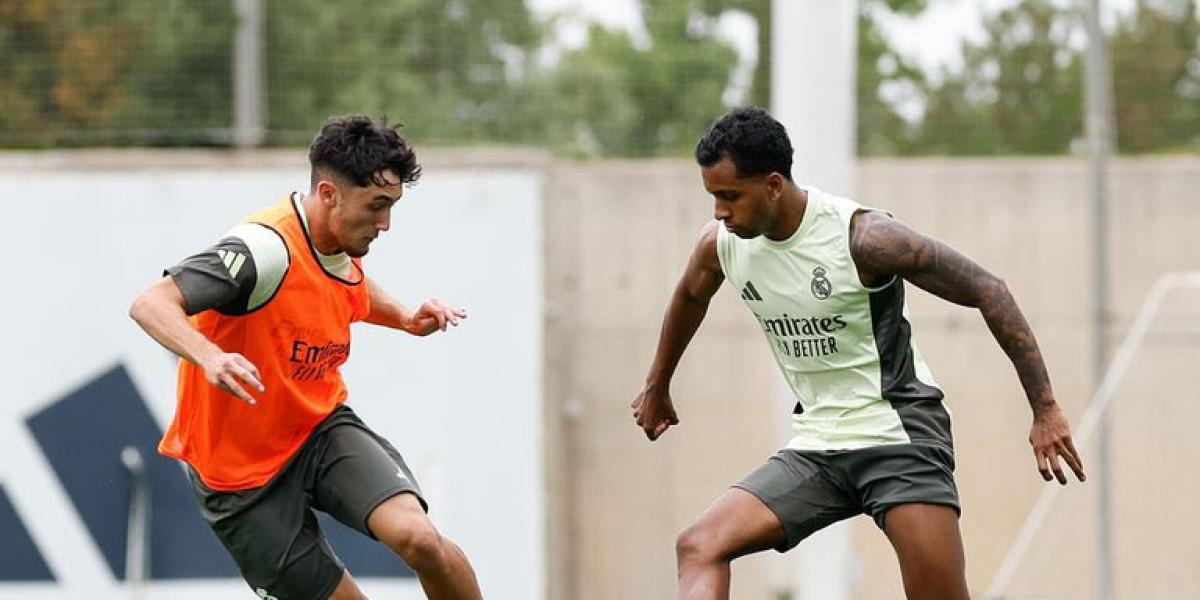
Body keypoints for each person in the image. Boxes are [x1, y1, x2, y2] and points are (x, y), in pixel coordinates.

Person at [630, 106, 1086, 600]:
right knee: (700, 546)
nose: (719, 212)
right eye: (713, 197)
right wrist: (658, 386)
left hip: (899, 438)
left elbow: (988, 290)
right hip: (819, 446)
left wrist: (1045, 408)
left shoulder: (865, 239)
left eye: (730, 196)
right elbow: (690, 296)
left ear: (774, 185)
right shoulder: (722, 245)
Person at [130, 115, 482, 600]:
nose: (386, 223)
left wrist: (404, 316)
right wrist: (211, 357)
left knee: (421, 539)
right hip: (239, 483)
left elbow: (346, 282)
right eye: (377, 206)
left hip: (319, 432)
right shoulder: (263, 249)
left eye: (393, 206)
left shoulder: (338, 239)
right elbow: (150, 302)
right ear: (329, 193)